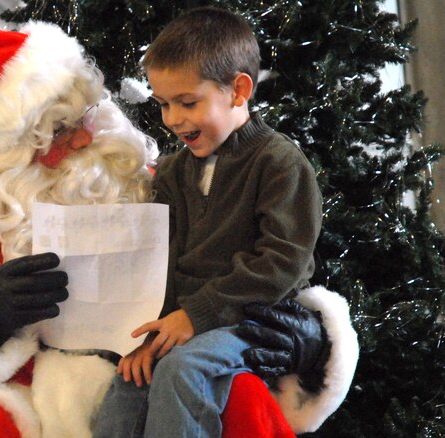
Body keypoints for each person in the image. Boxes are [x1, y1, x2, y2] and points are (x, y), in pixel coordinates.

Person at [0, 19, 356, 438]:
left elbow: (256, 255)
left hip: (146, 376)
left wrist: (308, 341)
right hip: (21, 411)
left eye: (83, 117)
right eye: (56, 132)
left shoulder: (146, 181)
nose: (84, 141)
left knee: (234, 396)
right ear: (1, 157)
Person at [92, 7, 358, 438]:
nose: (173, 119)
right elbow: (164, 258)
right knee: (130, 380)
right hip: (186, 318)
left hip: (253, 318)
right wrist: (150, 336)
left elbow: (281, 262)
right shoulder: (176, 172)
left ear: (238, 90)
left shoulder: (279, 163)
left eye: (187, 102)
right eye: (163, 104)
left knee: (183, 369)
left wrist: (197, 315)